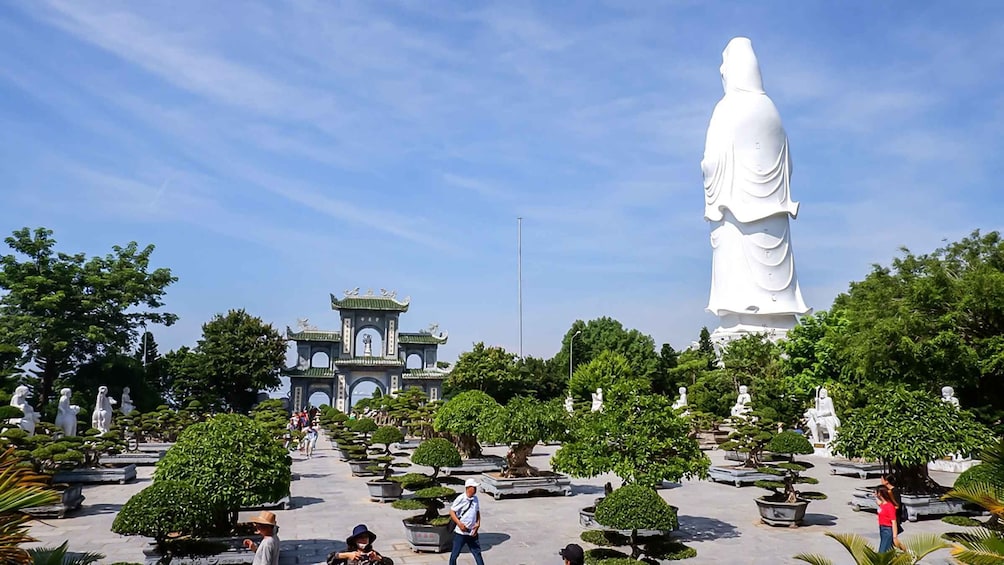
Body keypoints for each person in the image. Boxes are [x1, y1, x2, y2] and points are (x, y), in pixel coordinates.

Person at [449, 478, 484, 565]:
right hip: (461, 533)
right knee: (455, 554)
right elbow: (452, 512)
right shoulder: (461, 498)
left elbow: (477, 511)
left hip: (472, 532)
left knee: (477, 553)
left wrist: (478, 524)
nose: (475, 489)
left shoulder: (475, 499)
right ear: (468, 488)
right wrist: (459, 524)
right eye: (474, 487)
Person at [875, 486, 903, 553]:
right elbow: (879, 503)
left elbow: (894, 522)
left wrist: (895, 537)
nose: (874, 494)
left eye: (876, 492)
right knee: (888, 549)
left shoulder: (890, 506)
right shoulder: (882, 504)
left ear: (880, 494)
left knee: (882, 551)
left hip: (887, 530)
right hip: (882, 529)